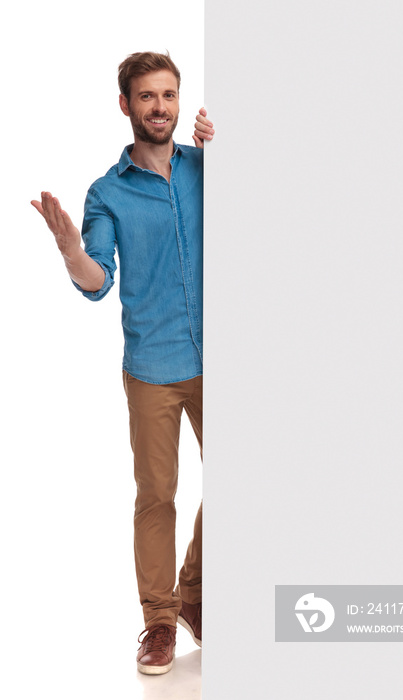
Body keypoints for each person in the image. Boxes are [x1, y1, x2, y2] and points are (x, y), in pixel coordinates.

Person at [31, 51, 214, 676]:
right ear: (125, 105)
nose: (159, 107)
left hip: (223, 356)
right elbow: (97, 278)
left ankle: (192, 591)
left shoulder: (203, 167)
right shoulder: (107, 192)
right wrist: (70, 252)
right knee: (157, 494)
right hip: (154, 367)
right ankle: (160, 621)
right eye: (146, 97)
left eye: (168, 95)